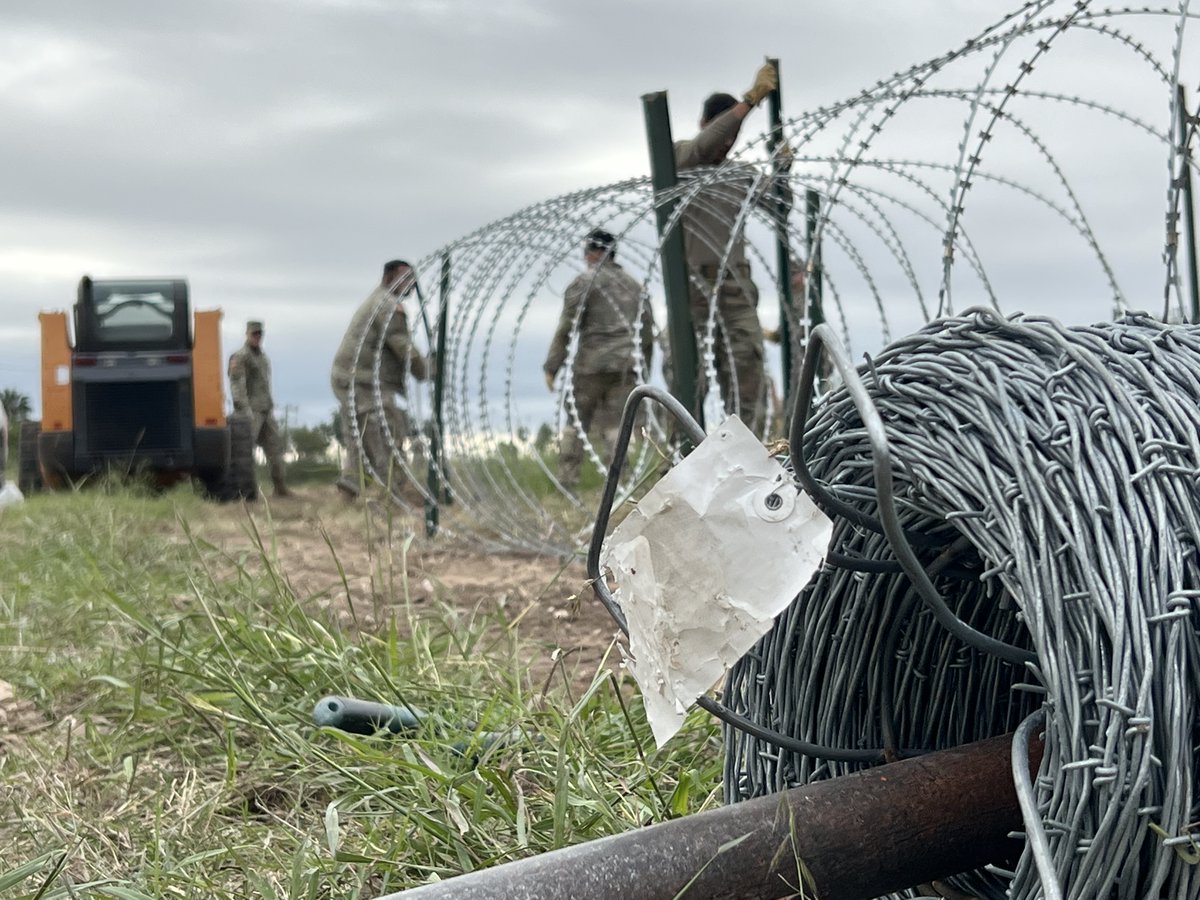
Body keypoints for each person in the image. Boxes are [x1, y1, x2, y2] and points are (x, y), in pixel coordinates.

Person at [674, 62, 780, 433]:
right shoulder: (680, 161)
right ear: (705, 124)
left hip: (735, 289)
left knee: (746, 373)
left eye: (732, 136)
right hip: (692, 293)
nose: (727, 141)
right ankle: (683, 458)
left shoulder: (740, 174)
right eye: (723, 130)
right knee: (689, 381)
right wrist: (749, 103)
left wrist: (782, 169)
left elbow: (781, 206)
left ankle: (742, 453)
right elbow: (705, 146)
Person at [544, 228, 654, 489]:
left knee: (576, 424)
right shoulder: (635, 285)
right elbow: (647, 332)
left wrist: (552, 366)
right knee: (618, 426)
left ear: (594, 253)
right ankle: (621, 483)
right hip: (626, 366)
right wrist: (644, 367)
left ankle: (567, 482)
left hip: (590, 367)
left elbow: (566, 328)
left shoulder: (584, 282)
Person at [331, 260, 429, 497]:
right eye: (405, 279)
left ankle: (353, 483)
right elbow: (402, 346)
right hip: (361, 380)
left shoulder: (379, 301)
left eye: (413, 280)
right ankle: (392, 491)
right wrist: (425, 370)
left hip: (351, 377)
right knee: (386, 432)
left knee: (362, 435)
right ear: (388, 278)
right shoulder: (387, 306)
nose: (411, 285)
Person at [227, 320, 291, 497]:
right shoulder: (240, 357)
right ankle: (245, 492)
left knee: (275, 449)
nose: (257, 337)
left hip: (265, 409)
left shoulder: (262, 357)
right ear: (247, 334)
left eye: (259, 334)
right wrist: (244, 409)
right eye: (254, 334)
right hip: (250, 412)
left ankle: (280, 488)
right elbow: (237, 385)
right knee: (245, 453)